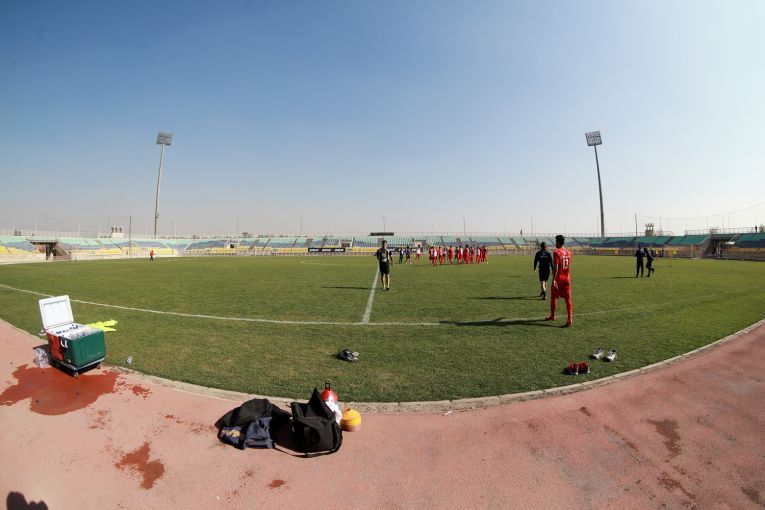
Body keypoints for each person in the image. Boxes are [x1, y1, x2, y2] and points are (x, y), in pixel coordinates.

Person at [546, 235, 573, 327]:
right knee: (568, 299)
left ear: (558, 242)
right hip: (567, 278)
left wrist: (553, 279)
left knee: (554, 297)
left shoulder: (556, 252)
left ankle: (552, 316)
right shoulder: (568, 252)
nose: (555, 243)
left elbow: (556, 268)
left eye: (556, 241)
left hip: (559, 279)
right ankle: (570, 319)